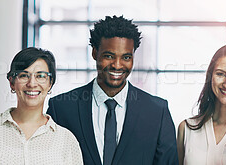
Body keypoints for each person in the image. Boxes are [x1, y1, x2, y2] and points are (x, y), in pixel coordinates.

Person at [47, 15, 178, 165]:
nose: (117, 65)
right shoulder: (61, 108)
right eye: (109, 56)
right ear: (95, 53)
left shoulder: (157, 112)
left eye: (126, 57)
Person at [0, 47, 83, 165]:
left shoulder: (66, 140)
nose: (32, 84)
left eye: (40, 76)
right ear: (12, 82)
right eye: (24, 75)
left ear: (50, 83)